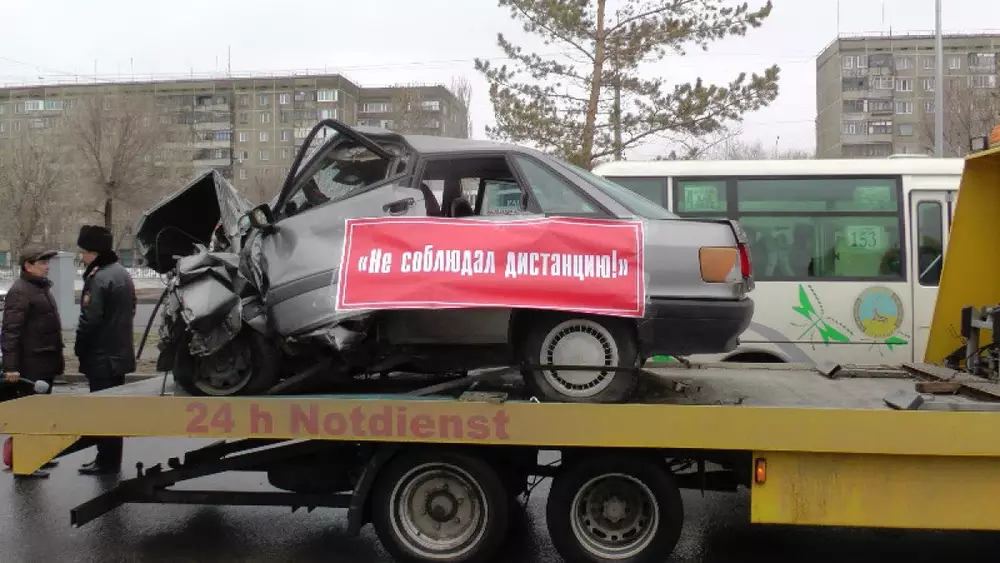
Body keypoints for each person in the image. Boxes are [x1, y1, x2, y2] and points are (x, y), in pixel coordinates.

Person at [73, 225, 137, 476]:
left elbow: (90, 320)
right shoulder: (121, 273)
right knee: (113, 411)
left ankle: (106, 462)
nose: (82, 256)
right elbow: (131, 308)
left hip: (102, 357)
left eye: (84, 251)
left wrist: (80, 347)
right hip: (118, 354)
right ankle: (109, 459)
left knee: (102, 411)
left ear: (95, 253)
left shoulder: (99, 278)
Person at [1, 243, 64, 478]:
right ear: (28, 266)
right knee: (28, 416)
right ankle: (24, 464)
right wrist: (11, 367)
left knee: (41, 414)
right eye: (43, 262)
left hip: (44, 361)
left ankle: (37, 455)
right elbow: (10, 332)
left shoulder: (39, 287)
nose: (47, 266)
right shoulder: (21, 291)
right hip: (30, 364)